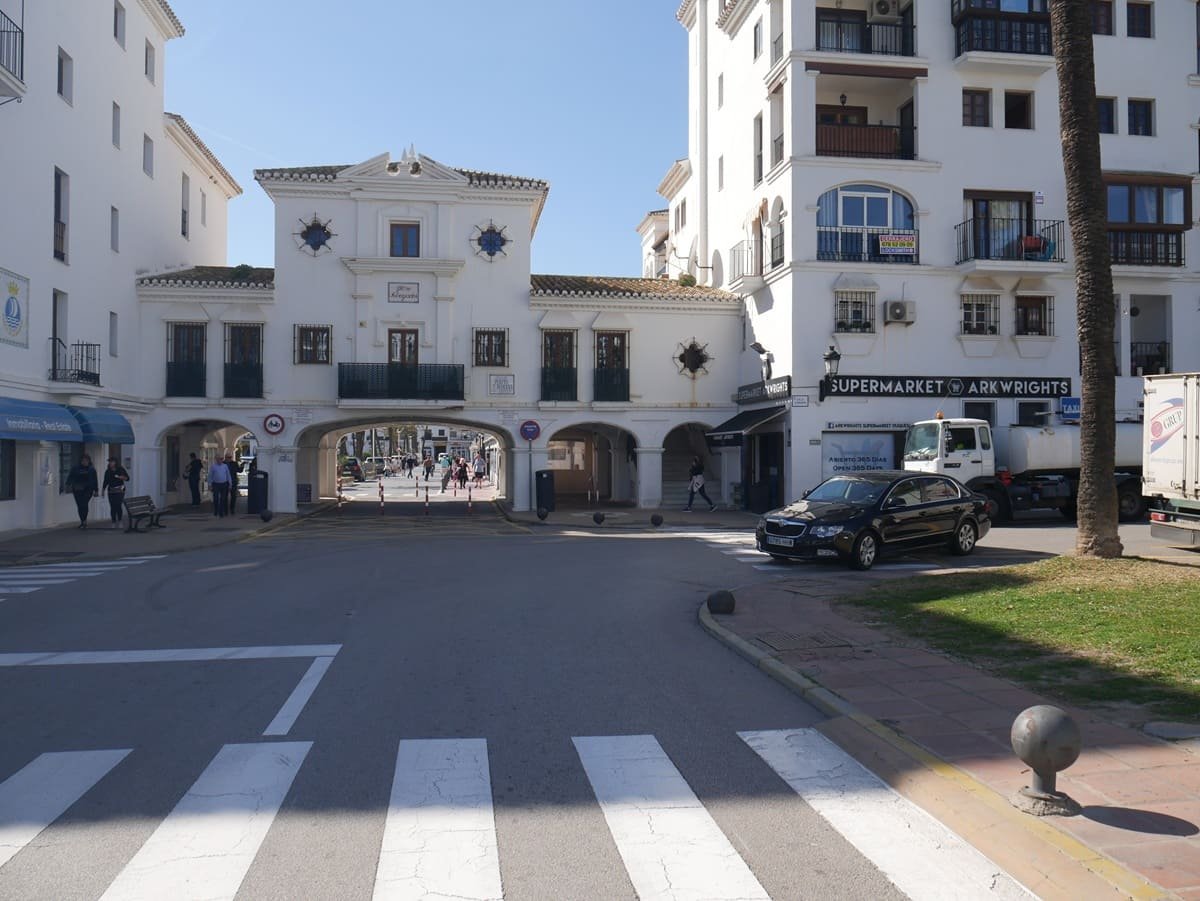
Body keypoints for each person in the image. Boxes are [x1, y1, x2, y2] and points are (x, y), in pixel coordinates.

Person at [67, 454, 99, 529]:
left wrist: (96, 490)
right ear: (81, 461)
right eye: (83, 461)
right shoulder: (75, 468)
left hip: (88, 489)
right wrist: (68, 485)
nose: (85, 462)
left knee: (84, 504)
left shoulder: (91, 469)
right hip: (78, 489)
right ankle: (82, 521)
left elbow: (95, 480)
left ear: (89, 461)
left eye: (86, 461)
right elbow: (70, 477)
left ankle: (84, 521)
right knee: (80, 505)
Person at [101, 457, 130, 529]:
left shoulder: (120, 469)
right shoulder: (108, 471)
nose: (110, 463)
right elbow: (105, 482)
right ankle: (113, 521)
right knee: (112, 506)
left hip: (120, 489)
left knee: (118, 504)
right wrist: (103, 490)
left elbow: (127, 478)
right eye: (109, 462)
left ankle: (120, 520)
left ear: (115, 462)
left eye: (112, 462)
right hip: (111, 490)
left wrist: (122, 477)